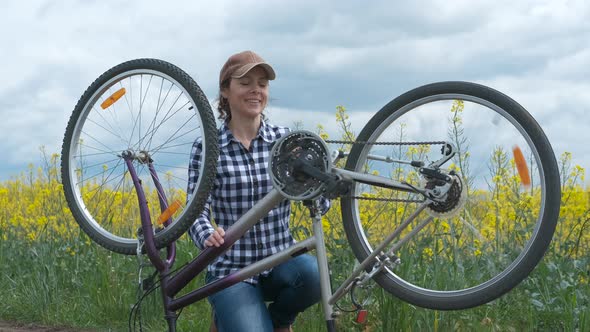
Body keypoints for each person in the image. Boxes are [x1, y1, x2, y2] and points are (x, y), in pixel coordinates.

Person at [187, 50, 330, 332]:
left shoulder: (285, 140)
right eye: (245, 82)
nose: (256, 90)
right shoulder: (208, 146)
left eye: (262, 84)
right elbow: (195, 211)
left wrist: (318, 189)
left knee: (316, 276)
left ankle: (278, 321)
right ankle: (230, 314)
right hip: (232, 270)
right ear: (225, 91)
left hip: (281, 261)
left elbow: (317, 201)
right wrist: (207, 235)